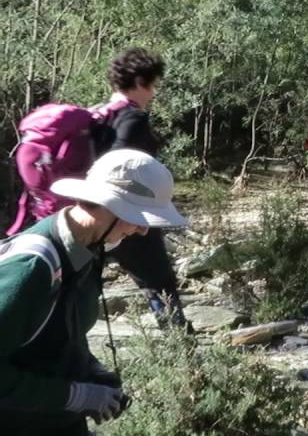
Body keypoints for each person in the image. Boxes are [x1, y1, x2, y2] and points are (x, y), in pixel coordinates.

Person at [0, 148, 188, 435]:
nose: (143, 231)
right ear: (107, 206)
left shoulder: (87, 252)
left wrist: (89, 369)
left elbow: (59, 333)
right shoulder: (31, 269)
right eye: (138, 217)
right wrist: (75, 396)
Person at [92, 48, 191, 329]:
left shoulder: (98, 114)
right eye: (152, 85)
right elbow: (119, 162)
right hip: (129, 214)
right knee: (160, 283)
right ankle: (182, 354)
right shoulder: (132, 118)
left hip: (93, 212)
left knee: (80, 289)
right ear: (138, 82)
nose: (153, 93)